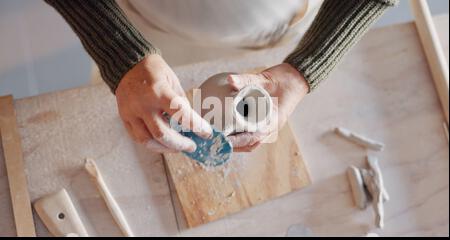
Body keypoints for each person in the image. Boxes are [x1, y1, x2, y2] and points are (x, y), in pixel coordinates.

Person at [45, 0, 398, 153]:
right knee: (128, 135)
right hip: (147, 37)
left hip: (295, 35)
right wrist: (121, 54)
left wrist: (306, 69)